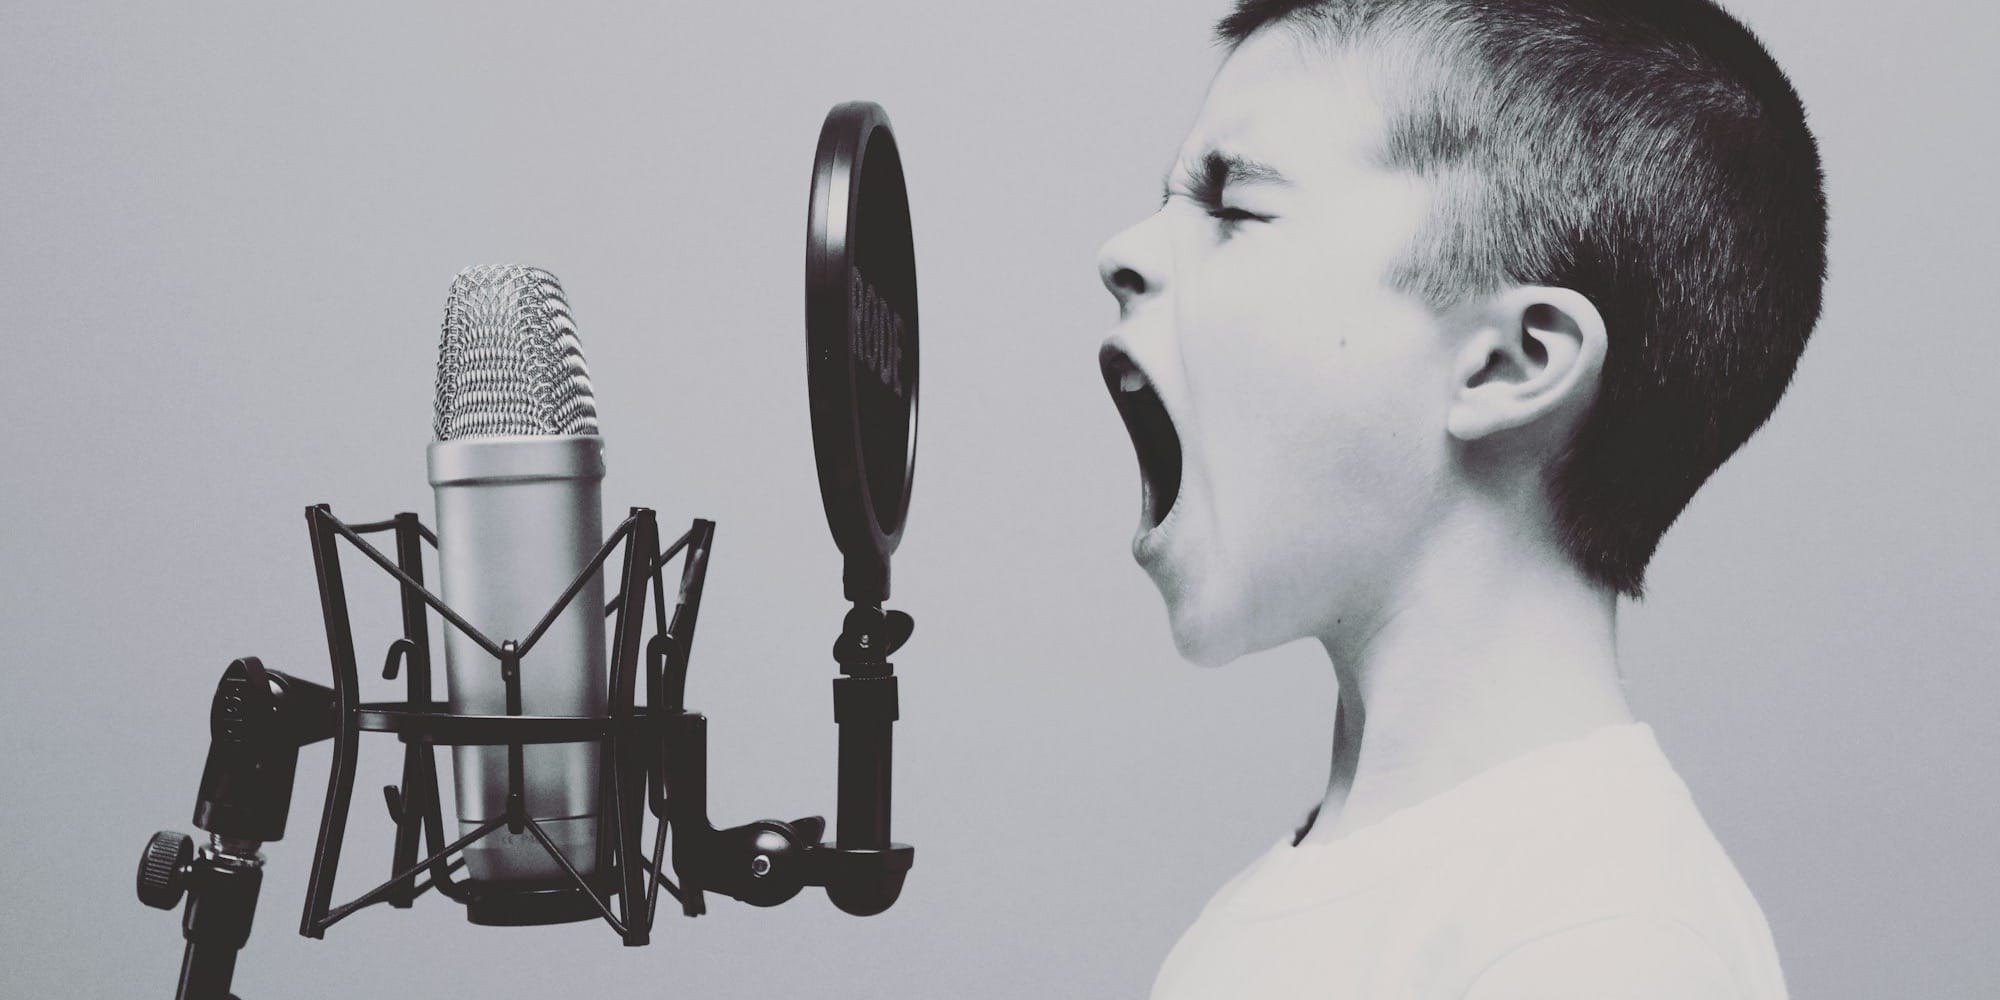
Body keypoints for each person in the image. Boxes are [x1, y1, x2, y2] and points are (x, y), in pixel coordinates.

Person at [1093, 1, 1825, 996]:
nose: (1123, 251)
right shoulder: (1322, 893)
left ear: (1507, 361)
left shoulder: (1597, 942)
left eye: (1232, 204)